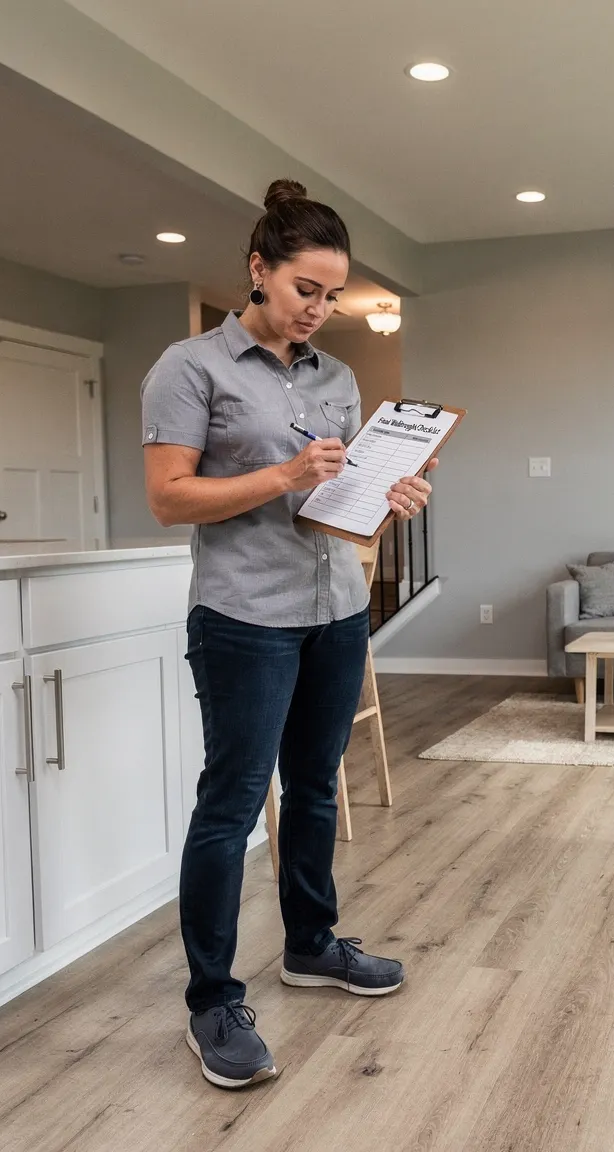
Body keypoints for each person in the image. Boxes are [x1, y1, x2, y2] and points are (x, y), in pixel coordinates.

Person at [140, 179, 432, 1089]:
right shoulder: (190, 368)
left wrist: (384, 502)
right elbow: (167, 498)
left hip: (335, 610)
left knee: (314, 789)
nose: (321, 308)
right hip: (243, 618)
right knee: (231, 808)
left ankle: (309, 946)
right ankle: (211, 1002)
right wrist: (283, 474)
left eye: (333, 293)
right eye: (307, 287)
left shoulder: (338, 377)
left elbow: (336, 507)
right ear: (258, 271)